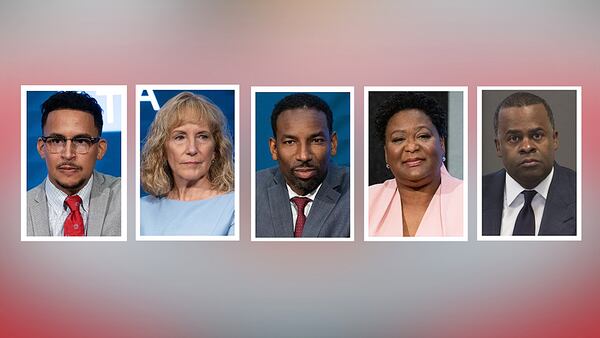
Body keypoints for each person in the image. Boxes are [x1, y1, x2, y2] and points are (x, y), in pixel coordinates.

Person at [255, 93, 350, 238]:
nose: (303, 156)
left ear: (333, 144)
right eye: (290, 142)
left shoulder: (358, 194)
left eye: (316, 140)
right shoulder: (250, 191)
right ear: (274, 148)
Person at [27, 91, 121, 236]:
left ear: (100, 149)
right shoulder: (14, 210)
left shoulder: (126, 197)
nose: (68, 154)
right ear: (42, 148)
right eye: (56, 141)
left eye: (81, 141)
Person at [369, 92, 463, 237]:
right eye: (399, 139)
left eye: (423, 136)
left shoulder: (471, 200)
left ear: (442, 144)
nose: (411, 147)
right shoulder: (366, 201)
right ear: (386, 153)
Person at [140, 92, 234, 236]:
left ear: (215, 150)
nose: (192, 149)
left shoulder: (236, 206)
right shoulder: (142, 209)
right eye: (180, 137)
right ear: (162, 150)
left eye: (202, 137)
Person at [482, 92, 576, 236]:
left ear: (554, 139)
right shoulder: (472, 197)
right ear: (498, 146)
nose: (527, 147)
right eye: (514, 138)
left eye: (537, 136)